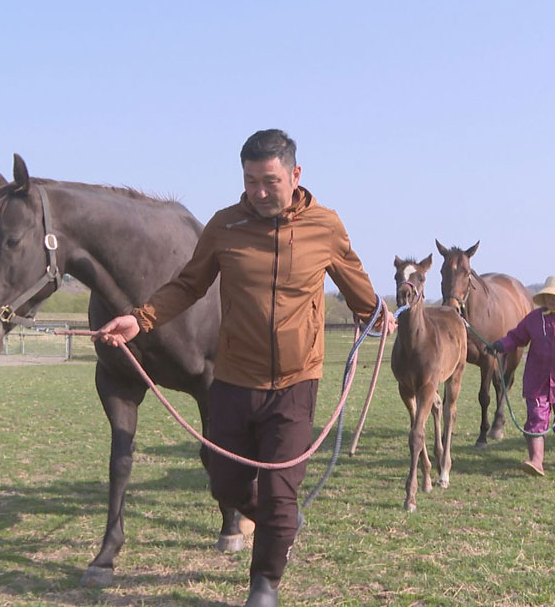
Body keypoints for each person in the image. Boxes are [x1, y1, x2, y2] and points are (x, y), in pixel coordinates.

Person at [93, 129, 396, 607]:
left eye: (269, 180)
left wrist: (376, 313)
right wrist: (141, 318)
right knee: (225, 481)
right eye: (250, 180)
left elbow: (356, 283)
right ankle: (280, 522)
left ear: (295, 175)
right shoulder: (224, 226)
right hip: (233, 380)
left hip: (296, 382)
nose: (258, 191)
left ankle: (264, 584)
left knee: (279, 492)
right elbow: (189, 284)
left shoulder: (325, 226)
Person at [487, 275, 555, 476]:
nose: (552, 301)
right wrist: (501, 345)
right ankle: (536, 461)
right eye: (548, 296)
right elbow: (516, 337)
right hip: (537, 380)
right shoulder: (534, 319)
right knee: (536, 418)